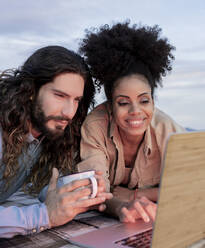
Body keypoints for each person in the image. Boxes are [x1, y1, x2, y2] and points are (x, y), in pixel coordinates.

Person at [77, 21, 185, 223]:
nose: (136, 112)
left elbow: (192, 185)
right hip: (114, 219)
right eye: (124, 102)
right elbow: (95, 191)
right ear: (111, 105)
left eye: (144, 100)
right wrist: (121, 207)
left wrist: (135, 197)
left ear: (153, 101)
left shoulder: (167, 129)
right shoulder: (95, 126)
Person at [0, 45, 112, 238]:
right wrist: (45, 216)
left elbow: (23, 195)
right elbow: (40, 213)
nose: (69, 112)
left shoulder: (44, 136)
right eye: (60, 96)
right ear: (31, 90)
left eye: (77, 100)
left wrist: (73, 194)